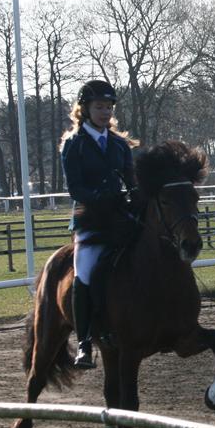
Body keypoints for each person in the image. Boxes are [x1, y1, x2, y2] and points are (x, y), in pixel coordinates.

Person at [60, 79, 138, 369]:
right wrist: (104, 198)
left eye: (108, 107)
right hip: (90, 220)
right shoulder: (74, 144)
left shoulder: (119, 144)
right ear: (85, 109)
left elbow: (132, 181)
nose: (105, 112)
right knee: (85, 274)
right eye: (99, 107)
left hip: (120, 217)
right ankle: (84, 343)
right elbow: (76, 189)